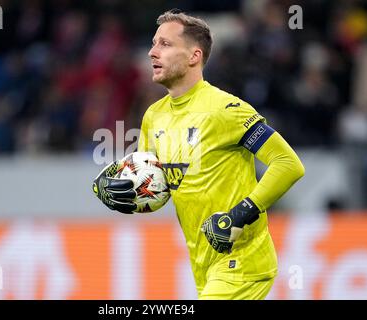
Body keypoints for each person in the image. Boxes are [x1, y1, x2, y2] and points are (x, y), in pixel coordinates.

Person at [93, 9, 305, 300]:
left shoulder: (225, 110)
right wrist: (126, 192)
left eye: (165, 44)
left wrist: (240, 214)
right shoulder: (153, 117)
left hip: (243, 262)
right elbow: (158, 188)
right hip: (203, 265)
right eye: (153, 44)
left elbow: (288, 164)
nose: (152, 52)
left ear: (194, 56)